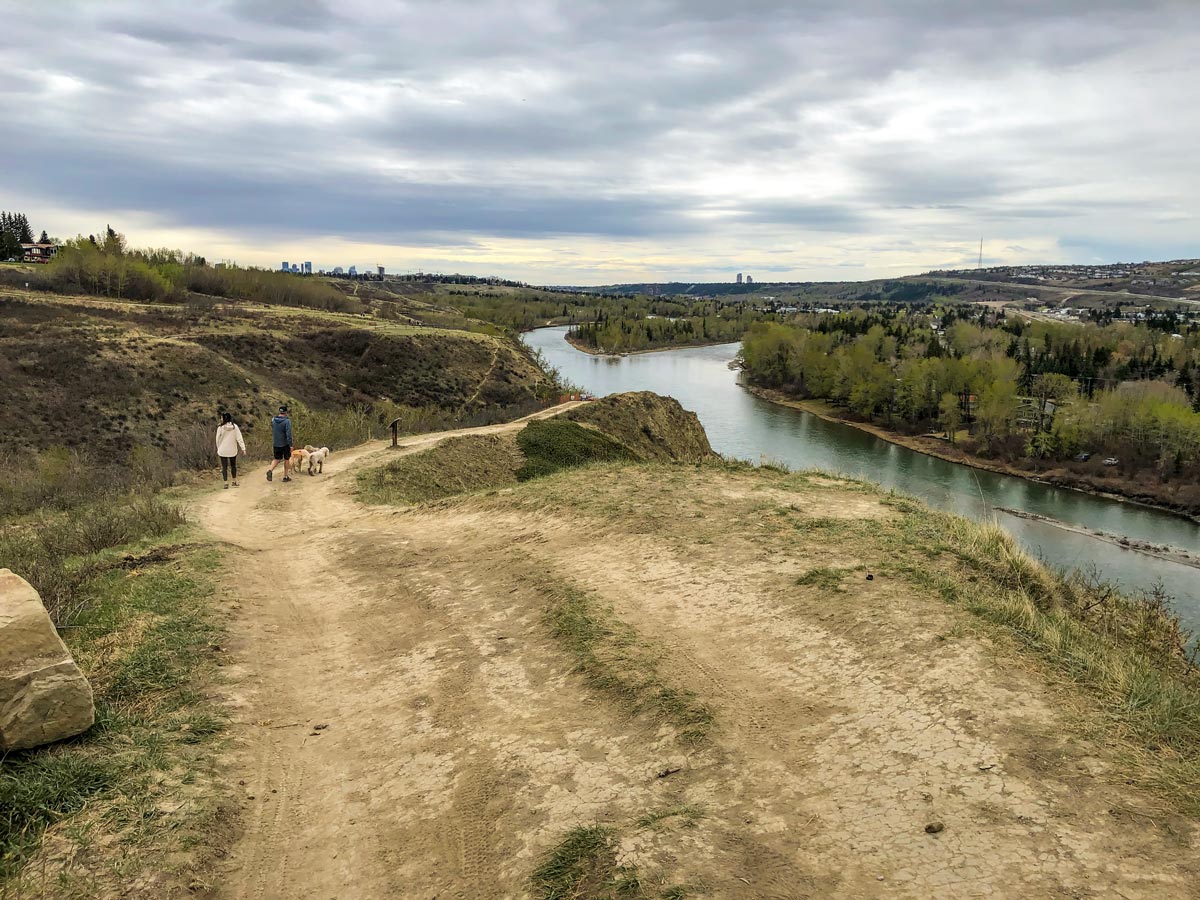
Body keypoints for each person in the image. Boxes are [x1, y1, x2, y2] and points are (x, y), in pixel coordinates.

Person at [215, 412, 246, 488]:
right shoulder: (235, 427)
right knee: (233, 466)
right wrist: (243, 448)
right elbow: (239, 438)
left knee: (224, 467)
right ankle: (234, 481)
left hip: (223, 450)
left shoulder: (220, 428)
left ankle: (225, 483)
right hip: (232, 449)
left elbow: (217, 439)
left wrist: (219, 448)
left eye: (221, 418)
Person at [267, 405, 294, 482]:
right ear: (285, 412)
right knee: (286, 459)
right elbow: (288, 434)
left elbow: (272, 427)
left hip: (276, 443)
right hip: (285, 444)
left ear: (279, 412)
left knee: (276, 458)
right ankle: (285, 476)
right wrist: (291, 445)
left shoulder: (273, 420)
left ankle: (270, 470)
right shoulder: (287, 421)